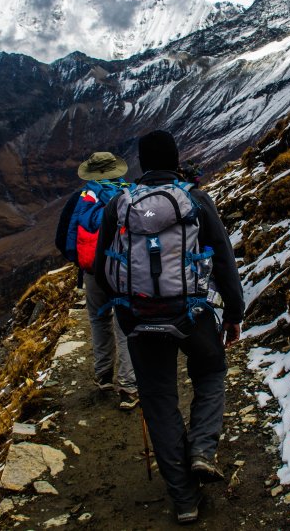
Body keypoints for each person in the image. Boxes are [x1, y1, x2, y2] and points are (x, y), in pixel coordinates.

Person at [94, 131, 244, 524]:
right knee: (211, 372)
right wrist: (233, 312)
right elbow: (224, 258)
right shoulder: (195, 200)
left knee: (160, 402)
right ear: (177, 159)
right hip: (191, 314)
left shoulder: (119, 205)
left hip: (140, 320)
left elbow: (101, 267)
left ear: (142, 164)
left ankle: (184, 501)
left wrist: (124, 311)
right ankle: (202, 451)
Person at [55, 151, 138, 410]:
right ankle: (128, 385)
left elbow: (62, 238)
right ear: (117, 171)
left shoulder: (80, 198)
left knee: (99, 318)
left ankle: (103, 376)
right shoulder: (132, 194)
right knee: (125, 323)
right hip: (125, 272)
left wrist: (83, 262)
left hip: (93, 271)